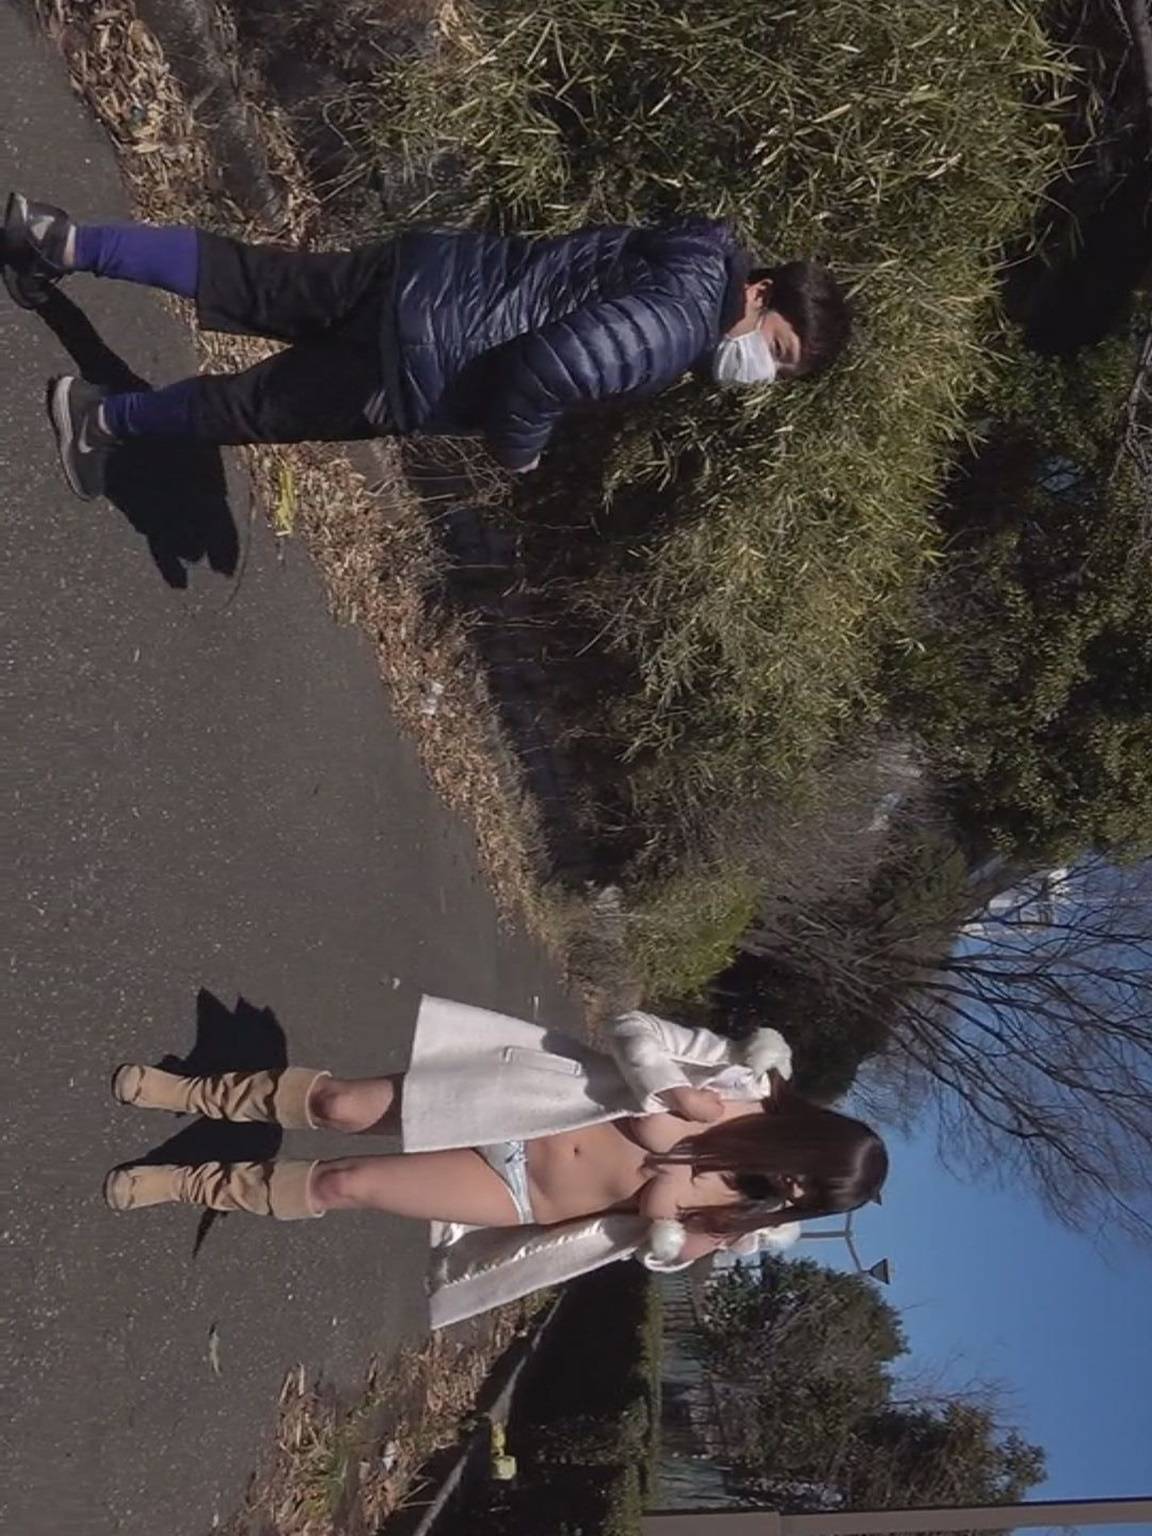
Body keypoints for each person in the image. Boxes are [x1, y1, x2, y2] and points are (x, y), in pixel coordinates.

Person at [1, 191, 852, 502]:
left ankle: (55, 239)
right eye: (776, 351)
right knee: (254, 409)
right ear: (761, 294)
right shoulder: (680, 328)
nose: (761, 371)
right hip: (423, 366)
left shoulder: (691, 252)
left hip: (424, 277)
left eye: (779, 372)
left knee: (246, 277)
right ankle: (101, 421)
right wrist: (521, 451)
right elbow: (546, 369)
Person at [104, 996, 888, 1326]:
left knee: (348, 1182)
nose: (795, 1187)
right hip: (515, 1105)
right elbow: (633, 1027)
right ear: (813, 1139)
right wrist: (676, 1092)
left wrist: (690, 1236)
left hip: (517, 1194)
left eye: (811, 1196)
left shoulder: (745, 1218)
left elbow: (661, 1255)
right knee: (340, 1105)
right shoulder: (744, 1084)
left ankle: (191, 1182)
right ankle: (196, 1092)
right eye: (810, 1172)